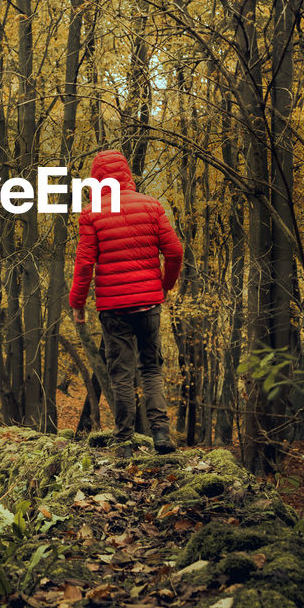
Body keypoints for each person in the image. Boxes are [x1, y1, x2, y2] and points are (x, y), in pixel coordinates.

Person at [68, 149, 183, 454]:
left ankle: (124, 440)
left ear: (97, 178)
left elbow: (84, 265)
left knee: (121, 373)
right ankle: (160, 434)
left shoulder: (92, 213)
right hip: (148, 304)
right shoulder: (151, 206)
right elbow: (175, 252)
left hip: (113, 308)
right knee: (151, 369)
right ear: (127, 174)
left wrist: (77, 303)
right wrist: (164, 286)